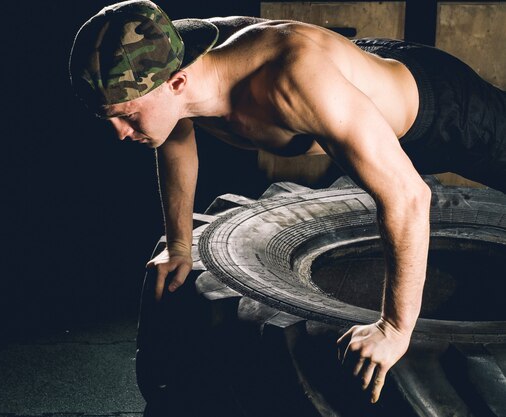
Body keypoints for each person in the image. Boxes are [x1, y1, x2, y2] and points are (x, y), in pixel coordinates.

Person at [69, 0, 506, 404]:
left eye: (127, 117)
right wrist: (178, 244)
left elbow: (410, 196)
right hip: (358, 70)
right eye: (110, 119)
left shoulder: (289, 81)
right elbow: (174, 136)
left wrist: (394, 329)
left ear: (178, 80)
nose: (121, 134)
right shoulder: (173, 60)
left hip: (440, 106)